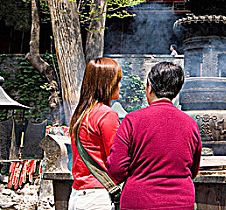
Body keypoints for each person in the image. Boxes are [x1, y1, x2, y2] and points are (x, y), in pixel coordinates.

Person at [106, 62, 202, 210]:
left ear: (149, 87)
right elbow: (193, 170)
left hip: (139, 201)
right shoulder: (191, 124)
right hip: (181, 202)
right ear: (176, 92)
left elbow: (116, 170)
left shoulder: (132, 120)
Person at [69, 58, 123, 210]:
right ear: (106, 84)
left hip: (77, 194)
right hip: (97, 197)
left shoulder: (81, 114)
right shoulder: (106, 114)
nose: (120, 86)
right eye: (117, 81)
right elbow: (116, 160)